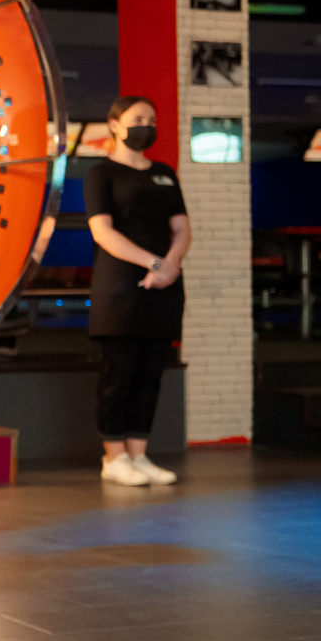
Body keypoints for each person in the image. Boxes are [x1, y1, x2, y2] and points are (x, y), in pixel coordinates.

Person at [85, 95, 190, 486]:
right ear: (115, 125)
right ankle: (114, 458)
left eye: (151, 119)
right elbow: (103, 233)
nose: (146, 125)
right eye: (137, 118)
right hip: (120, 288)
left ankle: (139, 454)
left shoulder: (164, 173)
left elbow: (182, 228)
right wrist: (155, 264)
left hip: (163, 287)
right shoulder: (101, 174)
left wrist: (170, 265)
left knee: (150, 376)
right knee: (120, 375)